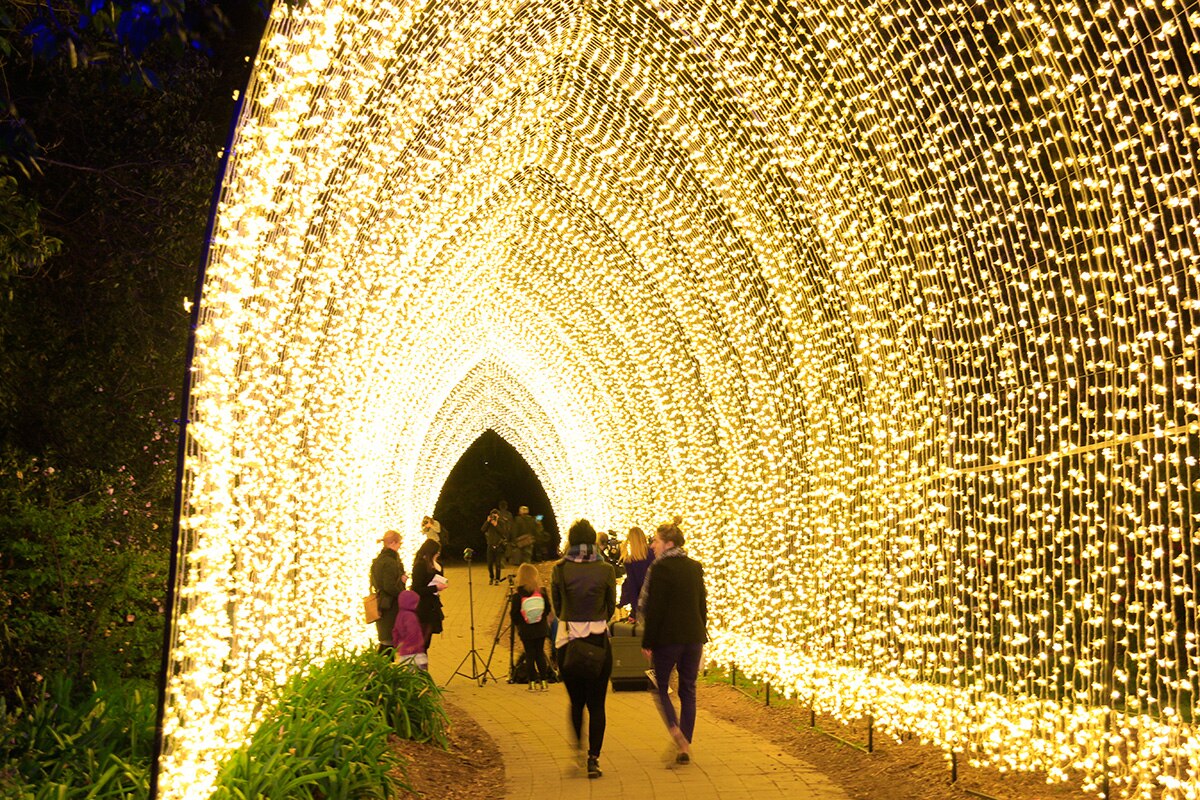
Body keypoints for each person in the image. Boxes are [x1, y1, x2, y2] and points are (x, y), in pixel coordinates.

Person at [551, 519, 616, 779]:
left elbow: (557, 607)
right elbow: (610, 606)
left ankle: (577, 748)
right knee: (597, 704)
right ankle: (594, 759)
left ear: (571, 540)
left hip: (568, 643)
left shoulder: (560, 569)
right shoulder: (606, 569)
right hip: (598, 641)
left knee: (576, 702)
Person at [639, 522, 708, 765]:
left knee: (659, 686)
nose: (652, 545)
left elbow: (653, 608)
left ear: (668, 544)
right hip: (693, 637)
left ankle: (675, 730)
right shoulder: (694, 567)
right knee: (688, 689)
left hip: (667, 639)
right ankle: (685, 745)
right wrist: (702, 631)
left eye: (655, 541)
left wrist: (648, 641)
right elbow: (702, 604)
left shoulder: (659, 569)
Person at [510, 562, 552, 690]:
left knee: (530, 655)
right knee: (540, 653)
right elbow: (548, 609)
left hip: (526, 629)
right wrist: (541, 618)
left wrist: (520, 624)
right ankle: (544, 681)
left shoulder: (518, 595)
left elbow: (514, 613)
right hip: (540, 628)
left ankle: (532, 682)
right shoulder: (541, 592)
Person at [370, 530, 407, 654]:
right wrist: (402, 589)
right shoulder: (390, 562)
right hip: (390, 605)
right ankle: (382, 671)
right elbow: (389, 586)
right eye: (399, 543)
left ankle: (380, 669)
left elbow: (376, 582)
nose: (400, 545)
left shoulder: (378, 560)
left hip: (381, 602)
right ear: (393, 543)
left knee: (385, 641)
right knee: (389, 642)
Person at [411, 538, 446, 653]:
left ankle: (421, 669)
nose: (438, 554)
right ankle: (419, 669)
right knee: (422, 643)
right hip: (422, 609)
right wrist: (435, 588)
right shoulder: (420, 566)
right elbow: (416, 589)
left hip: (432, 607)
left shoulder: (434, 565)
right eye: (437, 552)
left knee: (426, 642)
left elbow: (439, 576)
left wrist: (437, 566)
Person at [618, 526, 654, 619]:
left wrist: (634, 610)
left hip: (641, 600)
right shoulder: (653, 553)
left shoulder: (630, 560)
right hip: (654, 597)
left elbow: (632, 586)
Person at [392, 589, 428, 670]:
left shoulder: (400, 614)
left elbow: (395, 631)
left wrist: (397, 644)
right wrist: (414, 645)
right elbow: (413, 632)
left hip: (403, 650)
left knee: (408, 672)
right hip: (414, 652)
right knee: (419, 673)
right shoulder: (411, 616)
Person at [482, 509, 507, 585]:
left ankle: (497, 579)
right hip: (490, 545)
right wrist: (487, 521)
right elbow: (483, 529)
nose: (493, 517)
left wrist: (496, 525)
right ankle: (491, 577)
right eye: (492, 515)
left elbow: (503, 533)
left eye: (495, 515)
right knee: (489, 564)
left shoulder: (501, 523)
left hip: (498, 545)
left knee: (498, 564)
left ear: (498, 516)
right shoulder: (488, 523)